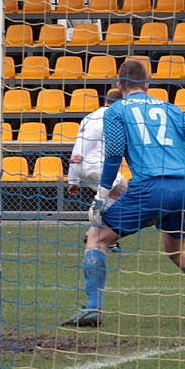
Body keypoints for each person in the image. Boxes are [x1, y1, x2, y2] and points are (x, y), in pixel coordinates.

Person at [62, 60, 185, 328]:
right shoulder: (170, 109)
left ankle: (94, 309)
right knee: (177, 250)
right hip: (181, 188)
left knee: (96, 237)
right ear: (147, 85)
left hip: (149, 187)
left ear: (119, 86)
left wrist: (101, 195)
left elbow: (115, 152)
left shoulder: (116, 110)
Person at [67, 89, 127, 252]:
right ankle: (103, 231)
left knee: (112, 195)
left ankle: (95, 231)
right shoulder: (109, 115)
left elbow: (78, 139)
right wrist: (81, 153)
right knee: (124, 193)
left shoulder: (89, 117)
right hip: (94, 164)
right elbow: (89, 138)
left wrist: (73, 179)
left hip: (82, 166)